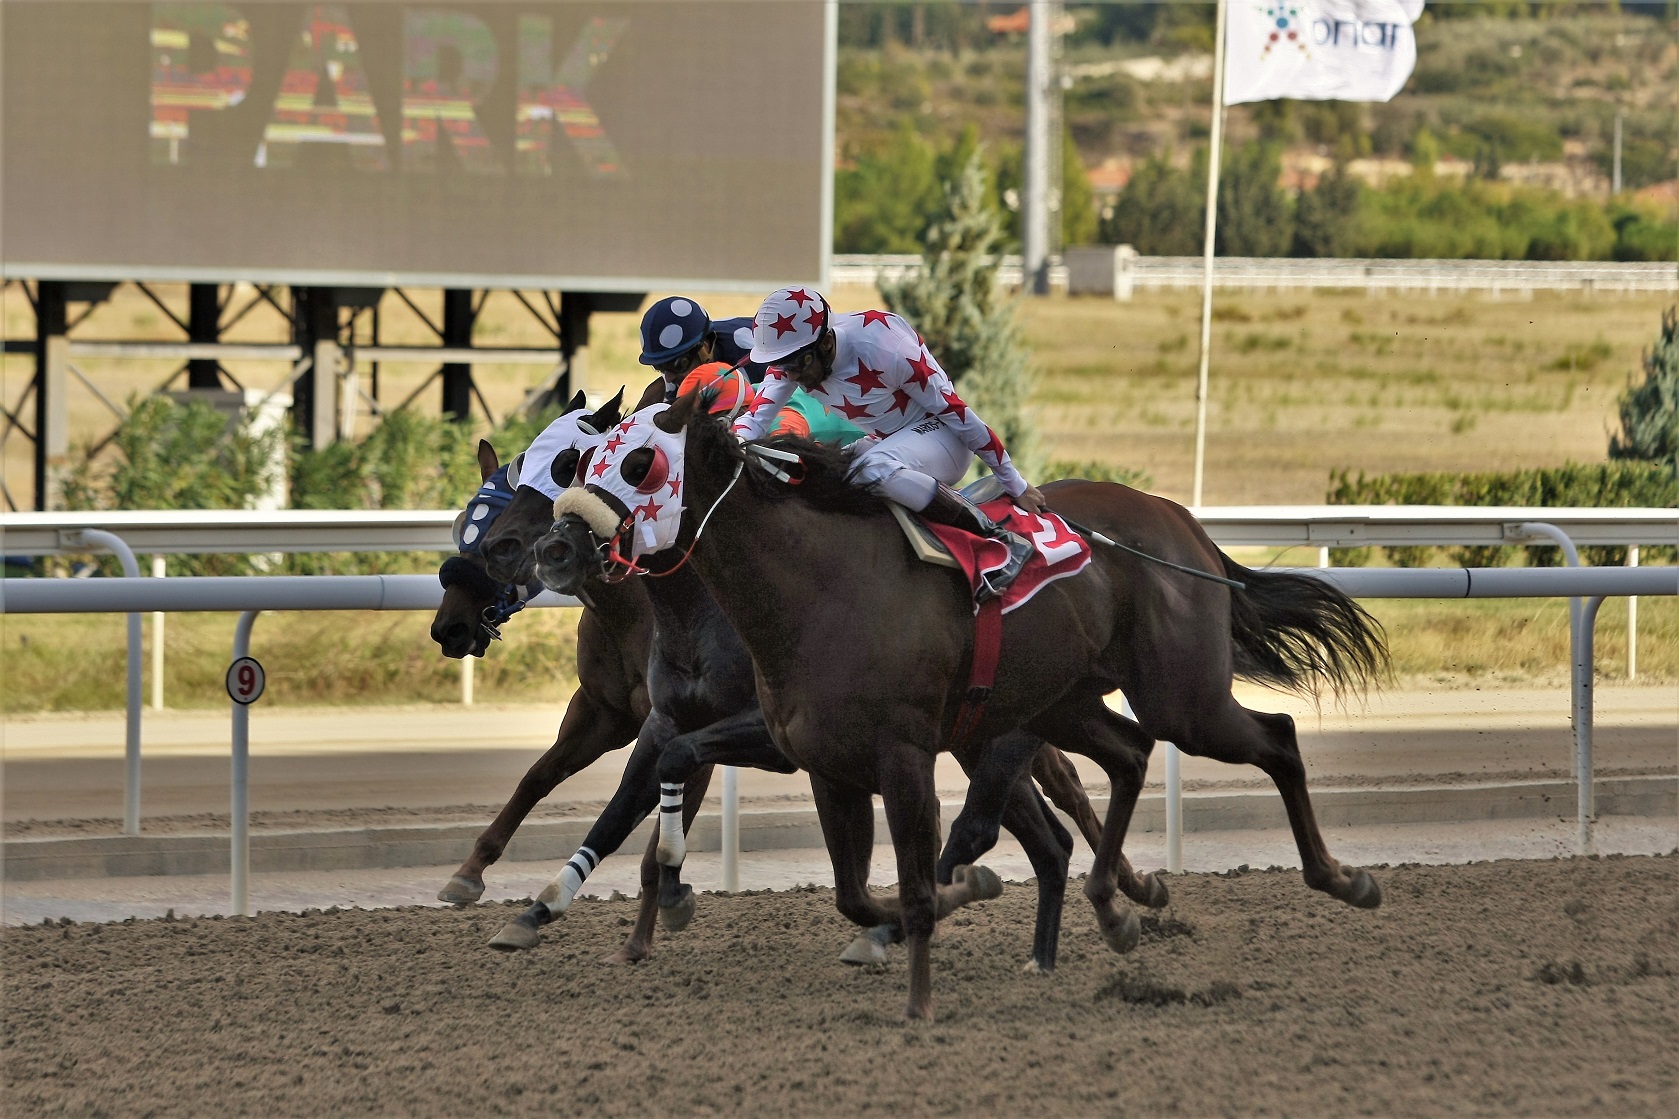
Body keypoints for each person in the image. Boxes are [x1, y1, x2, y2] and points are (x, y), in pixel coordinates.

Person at [734, 287, 1044, 597]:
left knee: (871, 468)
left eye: (797, 365)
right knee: (820, 468)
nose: (791, 377)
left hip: (945, 439)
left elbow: (960, 416)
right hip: (889, 440)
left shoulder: (886, 347)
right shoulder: (794, 358)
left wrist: (1014, 483)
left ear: (826, 343)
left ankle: (995, 539)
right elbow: (754, 422)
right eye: (782, 366)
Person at [637, 296, 762, 401]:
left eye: (680, 364)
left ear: (707, 346)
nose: (669, 378)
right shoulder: (674, 381)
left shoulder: (754, 357)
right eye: (660, 368)